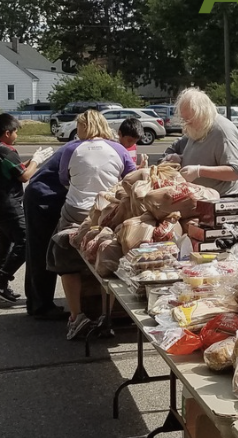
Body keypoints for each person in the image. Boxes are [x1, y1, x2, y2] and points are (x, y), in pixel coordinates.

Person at [46, 110, 136, 340]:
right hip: (107, 211)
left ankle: (76, 317)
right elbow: (131, 179)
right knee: (109, 262)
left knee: (67, 260)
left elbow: (63, 179)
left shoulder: (70, 148)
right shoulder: (119, 149)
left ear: (83, 127)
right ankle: (107, 316)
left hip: (75, 211)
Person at [0, 114, 52, 304]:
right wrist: (37, 161)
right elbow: (25, 177)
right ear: (7, 133)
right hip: (9, 204)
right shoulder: (6, 151)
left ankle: (1, 284)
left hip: (2, 204)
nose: (16, 135)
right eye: (15, 132)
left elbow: (18, 169)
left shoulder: (3, 151)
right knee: (24, 241)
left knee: (5, 244)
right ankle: (3, 278)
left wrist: (32, 160)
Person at [161, 88, 238, 196]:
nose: (186, 124)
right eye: (184, 119)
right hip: (202, 198)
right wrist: (180, 159)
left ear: (202, 113)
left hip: (224, 200)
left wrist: (199, 171)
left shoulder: (223, 131)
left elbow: (236, 172)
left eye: (190, 119)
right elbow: (203, 157)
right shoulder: (198, 127)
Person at [24, 148, 69, 319]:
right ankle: (41, 306)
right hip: (44, 198)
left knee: (38, 250)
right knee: (42, 250)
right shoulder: (81, 149)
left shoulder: (80, 145)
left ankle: (36, 302)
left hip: (43, 194)